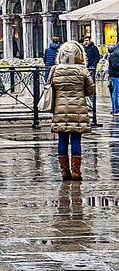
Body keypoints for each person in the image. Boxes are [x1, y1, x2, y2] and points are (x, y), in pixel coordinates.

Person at [45, 40, 94, 181]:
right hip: (78, 111)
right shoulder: (82, 70)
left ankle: (64, 171)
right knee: (76, 141)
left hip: (60, 110)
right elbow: (91, 90)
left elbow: (49, 86)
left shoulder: (55, 69)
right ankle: (76, 172)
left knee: (62, 140)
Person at [107, 41, 119, 115]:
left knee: (115, 92)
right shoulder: (115, 53)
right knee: (116, 92)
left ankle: (115, 109)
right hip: (115, 75)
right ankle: (116, 109)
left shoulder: (115, 52)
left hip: (114, 74)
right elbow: (115, 65)